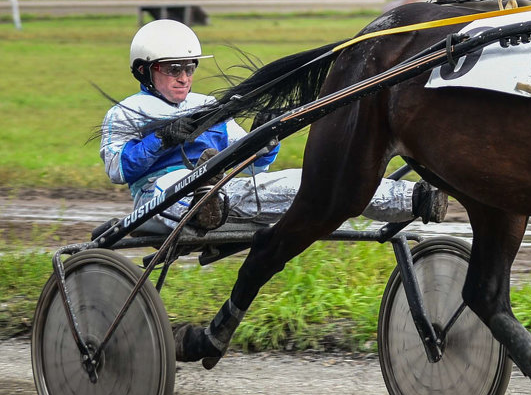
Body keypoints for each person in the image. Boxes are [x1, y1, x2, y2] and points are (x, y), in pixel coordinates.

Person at [100, 19, 448, 234]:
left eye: (189, 68)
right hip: (158, 196)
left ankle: (414, 199)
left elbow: (255, 162)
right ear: (145, 71)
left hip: (224, 190)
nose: (184, 77)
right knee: (193, 185)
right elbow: (117, 169)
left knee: (311, 182)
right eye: (173, 69)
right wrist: (159, 140)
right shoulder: (127, 112)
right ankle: (204, 199)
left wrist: (264, 139)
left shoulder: (206, 106)